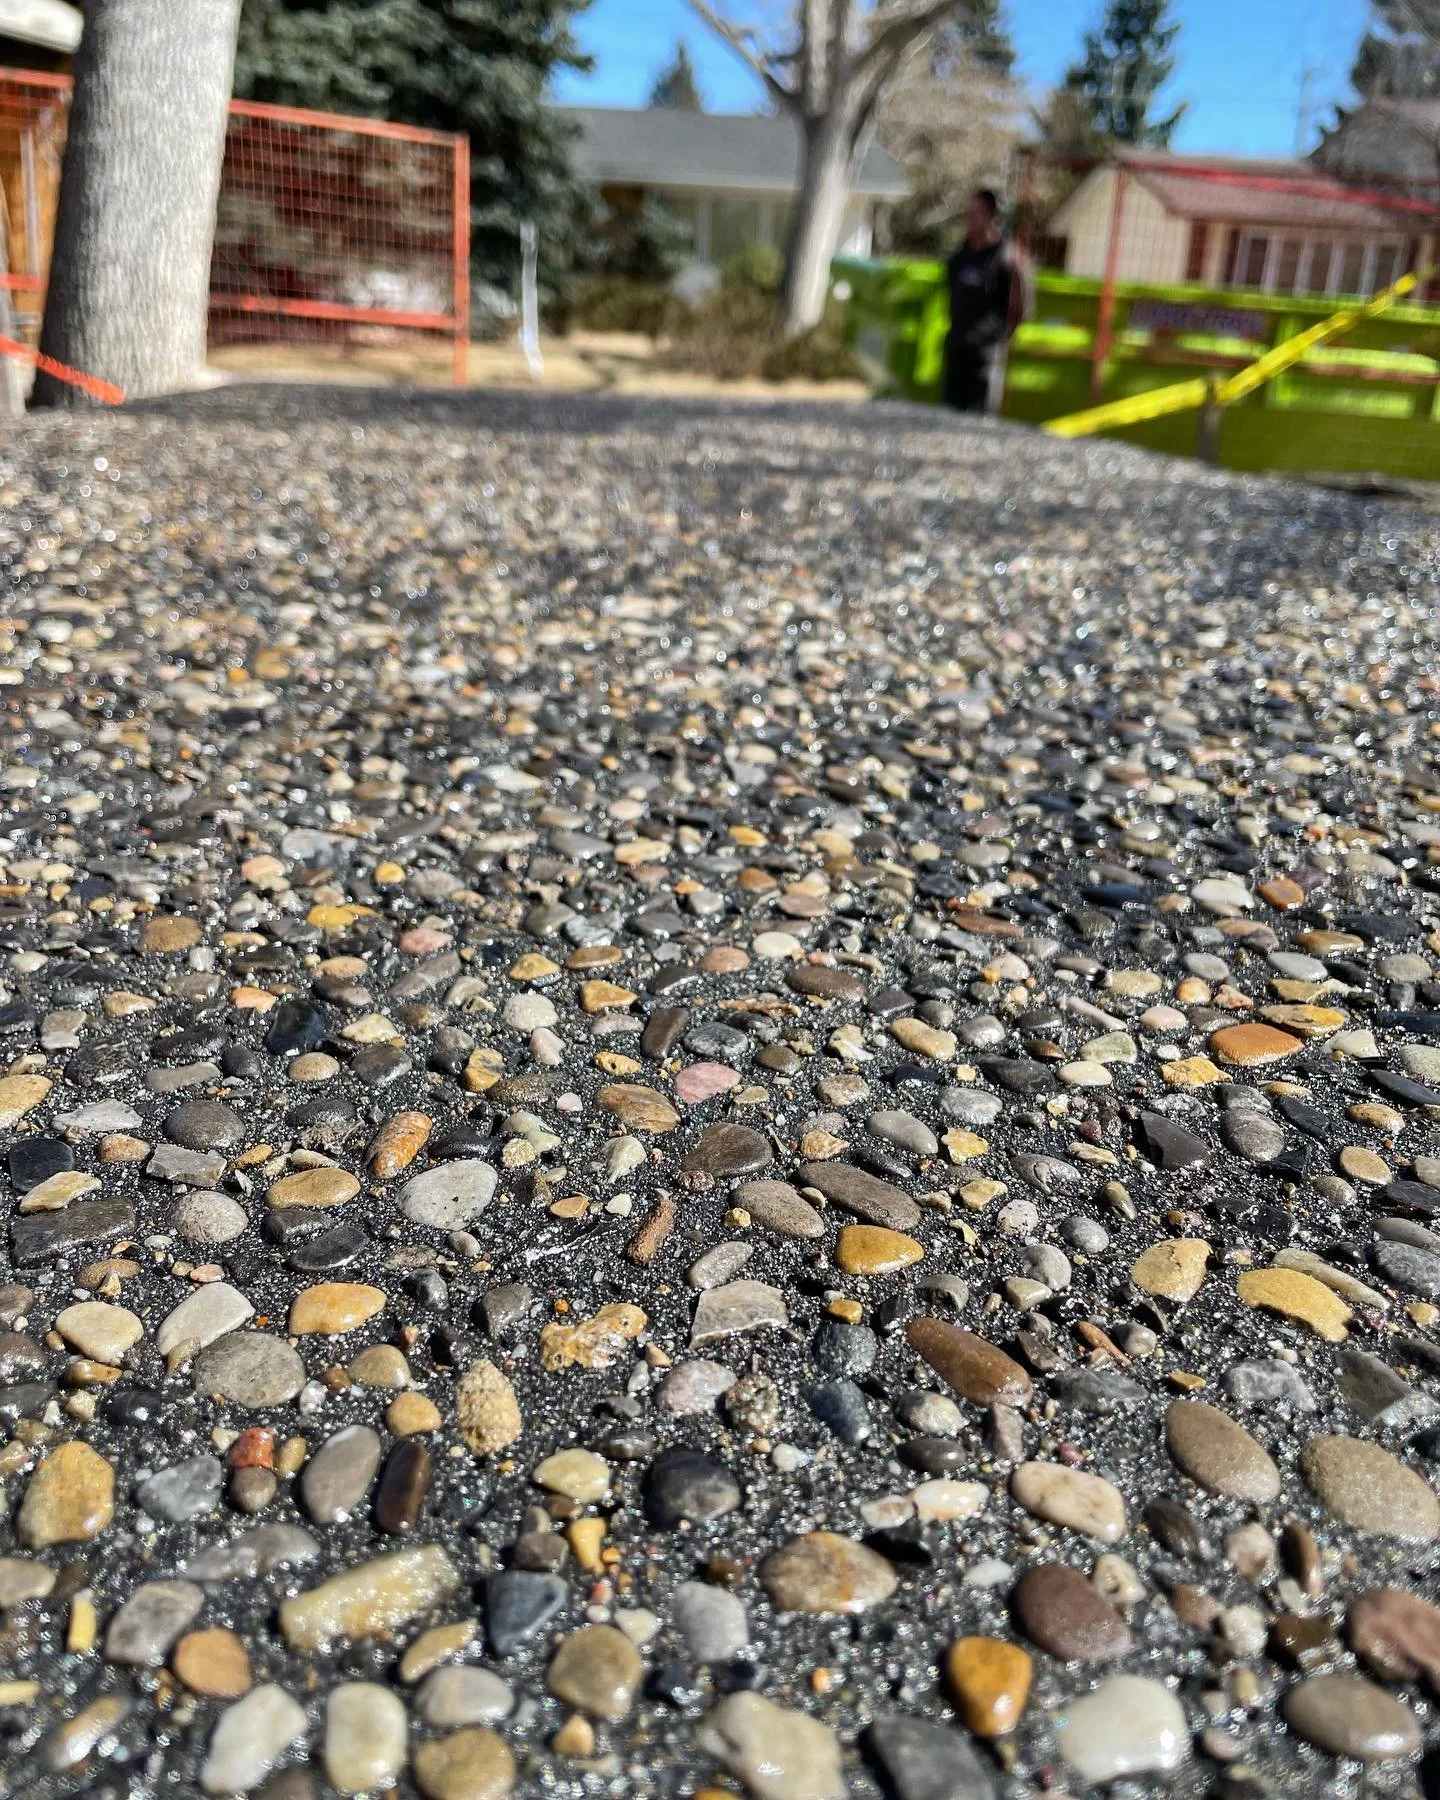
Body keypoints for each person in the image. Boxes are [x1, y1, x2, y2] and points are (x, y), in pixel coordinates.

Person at [943, 188, 1025, 414]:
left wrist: (1002, 339)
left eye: (975, 214)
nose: (969, 219)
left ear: (991, 217)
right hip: (958, 348)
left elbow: (1019, 307)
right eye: (967, 214)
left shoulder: (1007, 258)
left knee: (980, 420)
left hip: (987, 352)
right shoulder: (959, 258)